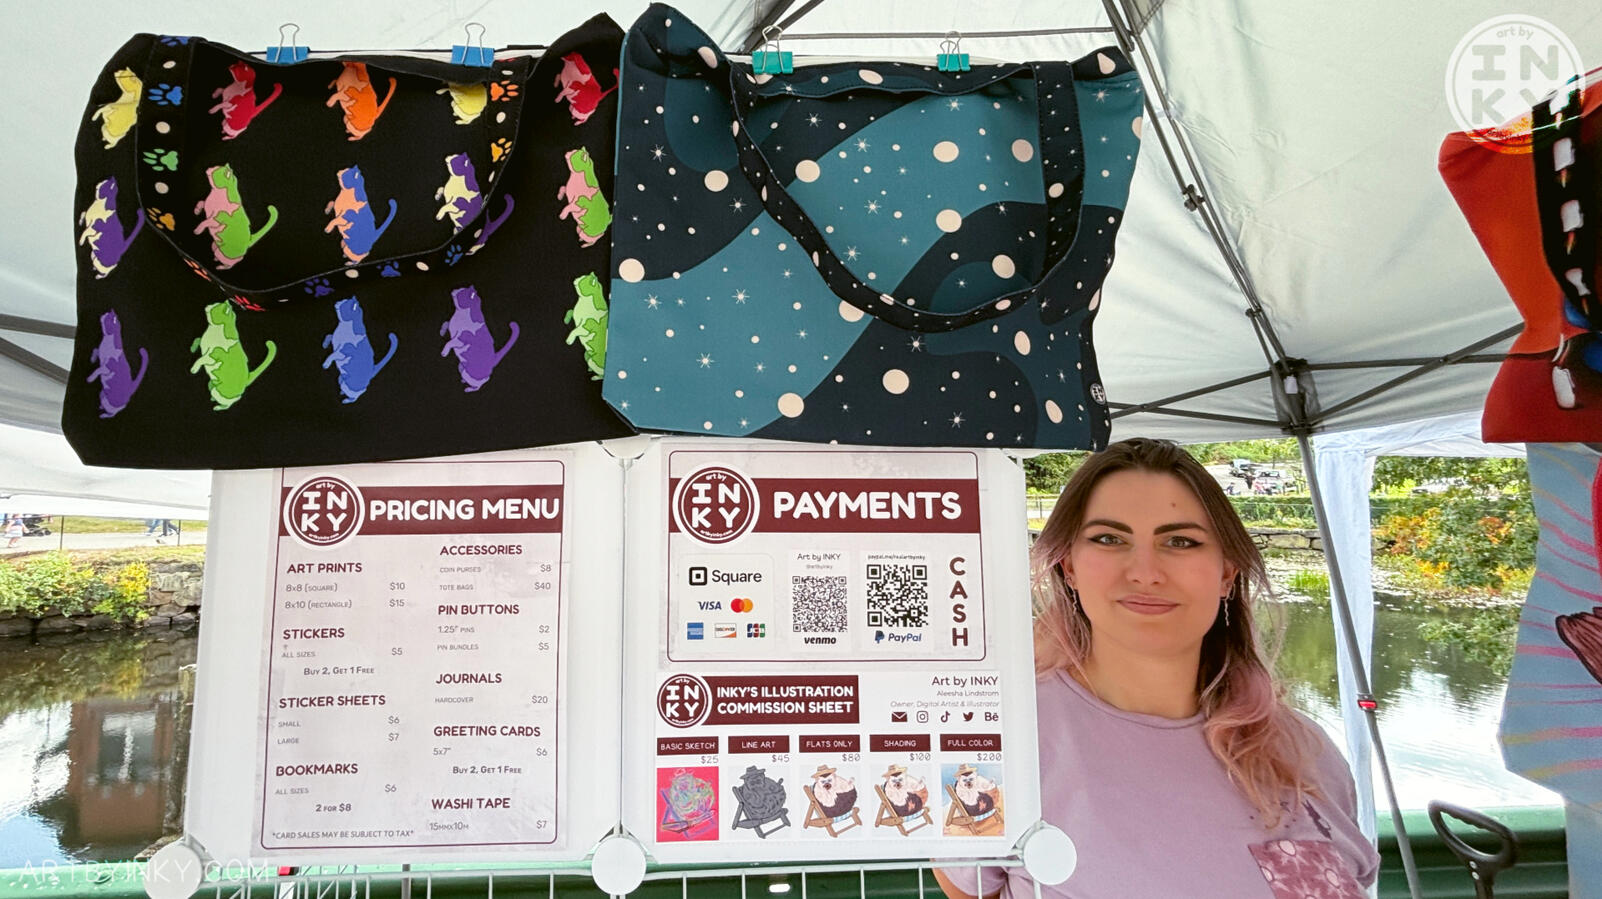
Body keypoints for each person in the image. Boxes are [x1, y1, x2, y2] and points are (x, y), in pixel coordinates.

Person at [935, 438, 1377, 899]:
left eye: (1180, 541)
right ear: (1068, 567)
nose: (1145, 571)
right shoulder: (996, 748)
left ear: (1227, 572)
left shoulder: (1308, 751)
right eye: (1109, 539)